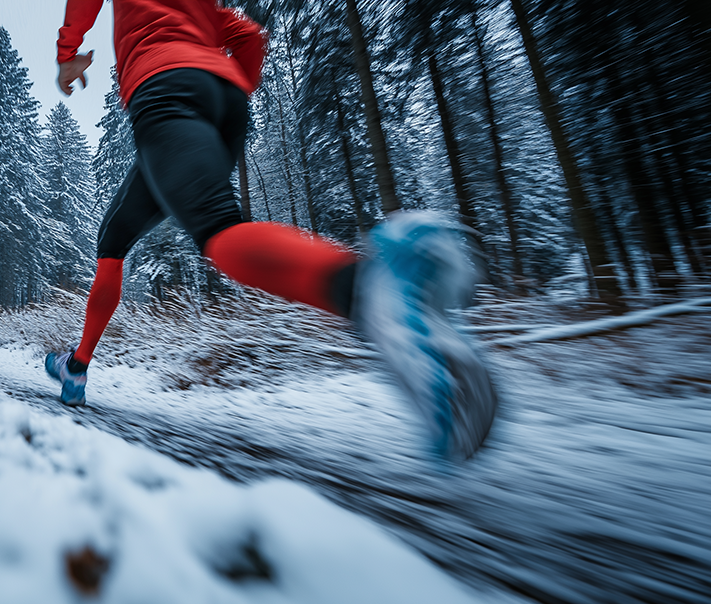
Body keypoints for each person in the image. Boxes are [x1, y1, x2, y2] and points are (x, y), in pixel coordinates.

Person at [45, 0, 496, 461]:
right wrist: (230, 84)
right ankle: (77, 366)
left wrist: (68, 56)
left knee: (219, 232)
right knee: (113, 239)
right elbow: (249, 37)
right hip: (222, 100)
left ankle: (370, 289)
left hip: (164, 88)